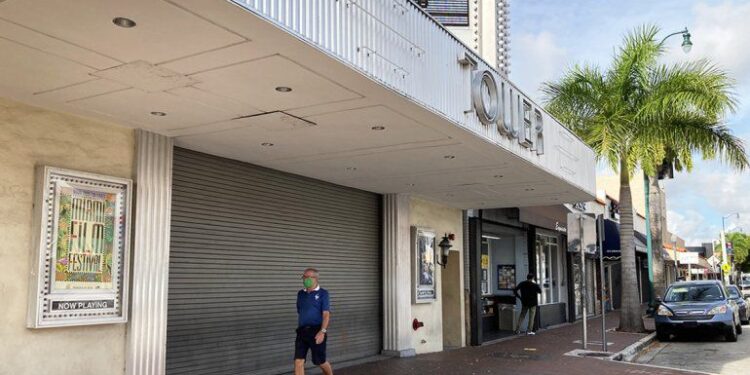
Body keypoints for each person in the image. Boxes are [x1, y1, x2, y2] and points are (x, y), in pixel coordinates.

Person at [294, 268, 333, 375]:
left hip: (317, 331)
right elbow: (300, 310)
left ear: (316, 278)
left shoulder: (323, 293)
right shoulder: (300, 294)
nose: (306, 279)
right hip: (302, 331)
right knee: (298, 361)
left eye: (309, 277)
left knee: (319, 361)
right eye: (304, 277)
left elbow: (326, 314)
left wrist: (322, 331)